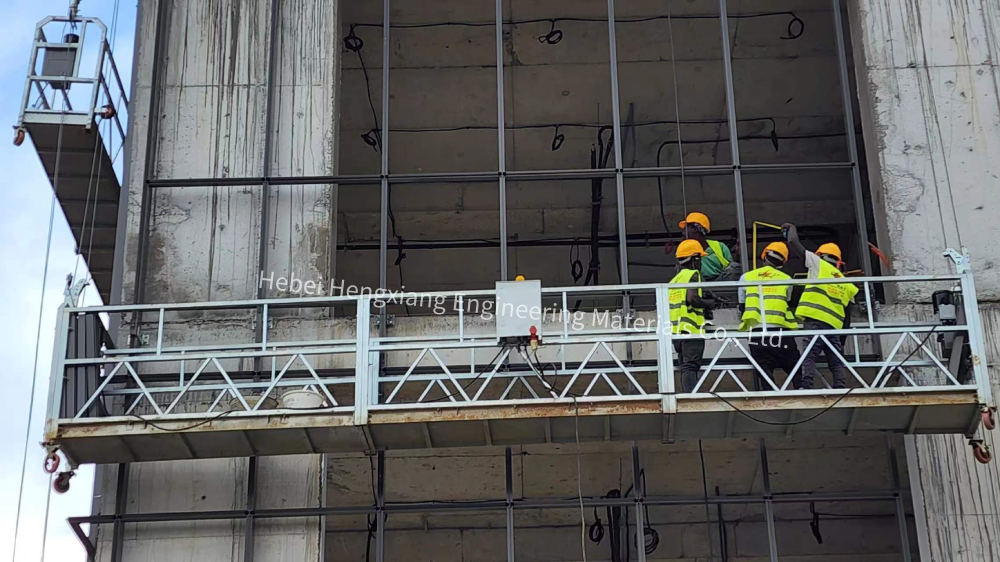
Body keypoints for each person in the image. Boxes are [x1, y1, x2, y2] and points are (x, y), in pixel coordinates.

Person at [783, 223, 859, 389]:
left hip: (815, 320)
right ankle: (840, 386)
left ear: (821, 255)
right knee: (836, 360)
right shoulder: (846, 283)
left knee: (810, 355)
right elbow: (847, 317)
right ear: (838, 262)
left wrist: (791, 228)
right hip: (834, 327)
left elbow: (793, 243)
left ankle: (807, 385)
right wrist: (842, 339)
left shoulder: (818, 264)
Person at [738, 241, 802, 390]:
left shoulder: (746, 277)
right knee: (794, 365)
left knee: (763, 367)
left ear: (764, 256)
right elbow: (787, 300)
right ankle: (801, 389)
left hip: (757, 332)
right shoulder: (786, 279)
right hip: (780, 331)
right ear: (783, 262)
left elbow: (742, 305)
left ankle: (770, 393)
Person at [668, 240, 717, 392]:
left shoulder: (674, 281)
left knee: (685, 366)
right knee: (691, 366)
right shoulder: (694, 274)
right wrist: (710, 304)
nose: (701, 263)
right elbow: (693, 299)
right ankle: (691, 395)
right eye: (700, 259)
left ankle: (688, 393)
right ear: (694, 259)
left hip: (677, 332)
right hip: (691, 330)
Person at [678, 212, 740, 281]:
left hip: (721, 283)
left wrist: (738, 255)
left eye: (685, 229)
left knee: (734, 267)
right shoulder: (684, 248)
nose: (683, 233)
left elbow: (731, 269)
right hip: (698, 283)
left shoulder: (719, 246)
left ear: (695, 229)